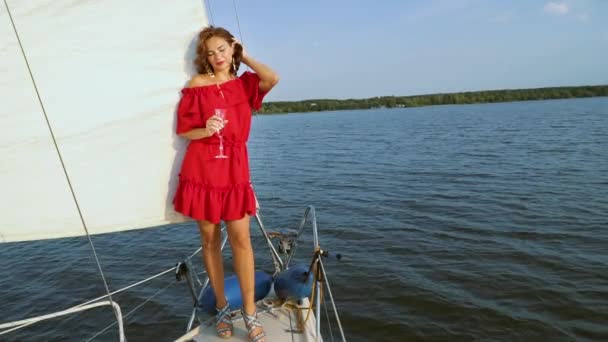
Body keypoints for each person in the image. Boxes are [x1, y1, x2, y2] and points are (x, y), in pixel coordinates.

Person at [173, 26, 278, 341]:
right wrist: (205, 129)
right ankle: (221, 308)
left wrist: (243, 54)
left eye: (222, 49)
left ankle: (249, 312)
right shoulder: (197, 85)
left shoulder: (245, 84)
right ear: (203, 58)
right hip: (202, 169)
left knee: (241, 241)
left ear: (232, 49)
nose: (217, 57)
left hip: (234, 169)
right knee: (209, 240)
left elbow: (272, 78)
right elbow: (184, 129)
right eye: (210, 52)